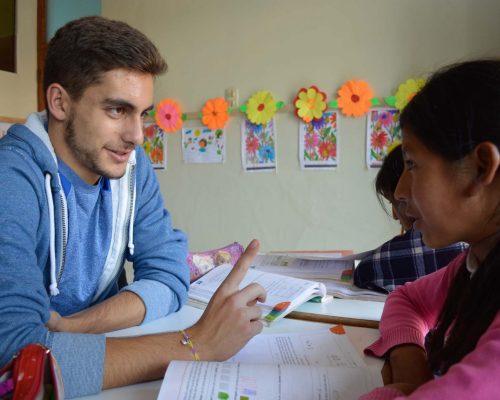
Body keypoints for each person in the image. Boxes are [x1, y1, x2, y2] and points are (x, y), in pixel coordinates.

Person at [0, 16, 266, 398]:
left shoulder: (130, 169)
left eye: (142, 113)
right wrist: (196, 345)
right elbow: (18, 360)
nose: (136, 136)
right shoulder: (11, 177)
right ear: (59, 102)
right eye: (116, 110)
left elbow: (168, 276)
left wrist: (72, 327)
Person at [360, 59, 500, 399]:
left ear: (482, 167)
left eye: (412, 164)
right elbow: (405, 298)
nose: (400, 193)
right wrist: (410, 365)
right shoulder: (473, 265)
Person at [354, 145, 466, 293]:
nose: (394, 215)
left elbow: (364, 271)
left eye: (394, 201)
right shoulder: (473, 250)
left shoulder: (380, 263)